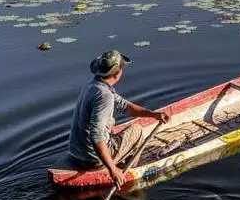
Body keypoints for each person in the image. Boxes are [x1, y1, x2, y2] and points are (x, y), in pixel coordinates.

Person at [68, 50, 169, 188]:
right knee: (137, 130)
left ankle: (115, 161)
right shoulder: (105, 96)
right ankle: (127, 171)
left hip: (75, 153)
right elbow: (96, 135)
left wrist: (154, 114)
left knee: (114, 127)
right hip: (91, 160)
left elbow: (125, 106)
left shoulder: (92, 86)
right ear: (117, 74)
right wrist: (112, 170)